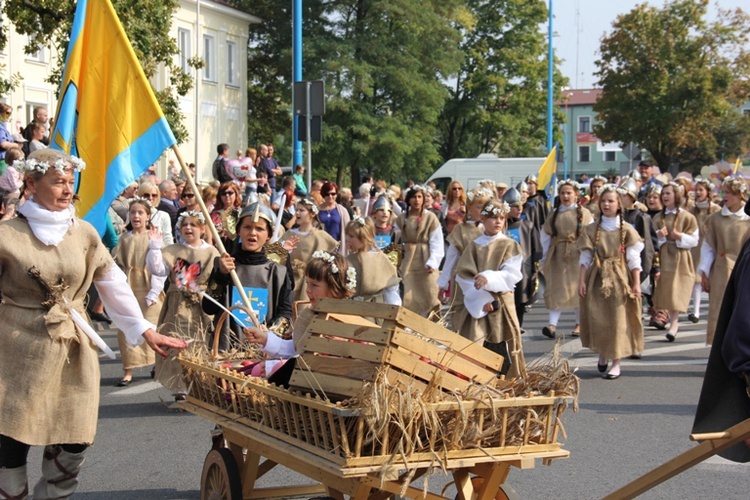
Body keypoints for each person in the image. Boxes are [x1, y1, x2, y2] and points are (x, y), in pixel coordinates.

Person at [0, 149, 183, 499]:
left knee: (76, 433)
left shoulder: (84, 233)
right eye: (58, 182)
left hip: (73, 343)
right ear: (31, 183)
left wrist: (144, 329)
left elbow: (111, 282)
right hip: (17, 342)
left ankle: (54, 493)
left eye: (71, 181)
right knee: (13, 431)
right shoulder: (7, 234)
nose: (68, 190)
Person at [242, 251, 355, 380]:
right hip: (304, 373)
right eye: (307, 283)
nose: (307, 289)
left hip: (327, 378)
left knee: (276, 369)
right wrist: (265, 339)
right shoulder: (308, 315)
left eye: (315, 285)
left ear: (334, 288)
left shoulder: (345, 319)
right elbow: (296, 348)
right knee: (258, 370)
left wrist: (280, 367)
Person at [147, 211, 219, 399]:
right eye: (184, 225)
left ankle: (200, 384)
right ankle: (180, 386)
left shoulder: (211, 252)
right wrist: (155, 247)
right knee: (176, 341)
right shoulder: (173, 250)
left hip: (200, 305)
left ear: (202, 229)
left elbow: (217, 279)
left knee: (199, 341)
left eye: (193, 225)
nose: (188, 228)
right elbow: (158, 269)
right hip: (177, 304)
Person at [204, 202, 294, 352]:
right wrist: (221, 276)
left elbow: (286, 312)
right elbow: (208, 307)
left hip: (263, 351)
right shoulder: (225, 265)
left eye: (259, 229)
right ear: (238, 230)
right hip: (226, 350)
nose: (252, 233)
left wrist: (268, 334)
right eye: (247, 227)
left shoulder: (278, 272)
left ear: (269, 235)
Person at [578, 185, 644, 379]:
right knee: (599, 317)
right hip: (597, 278)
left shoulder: (626, 230)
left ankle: (616, 361)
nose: (606, 204)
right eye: (604, 201)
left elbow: (634, 259)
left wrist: (637, 283)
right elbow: (585, 258)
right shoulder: (591, 230)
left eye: (611, 201)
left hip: (620, 277)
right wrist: (581, 280)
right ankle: (603, 351)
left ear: (619, 204)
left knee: (617, 319)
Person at [452, 200, 525, 378]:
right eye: (493, 217)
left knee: (503, 339)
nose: (498, 221)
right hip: (478, 305)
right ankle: (475, 378)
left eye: (501, 217)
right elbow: (463, 275)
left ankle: (507, 380)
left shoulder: (509, 245)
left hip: (502, 305)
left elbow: (512, 274)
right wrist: (483, 299)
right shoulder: (474, 245)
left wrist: (489, 278)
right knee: (476, 339)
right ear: (483, 219)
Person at [112, 198, 166, 386]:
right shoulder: (125, 238)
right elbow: (115, 261)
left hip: (148, 286)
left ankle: (155, 364)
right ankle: (128, 369)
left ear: (148, 216)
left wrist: (155, 290)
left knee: (152, 325)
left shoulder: (154, 237)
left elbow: (160, 267)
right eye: (133, 212)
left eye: (140, 213)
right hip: (129, 286)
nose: (136, 216)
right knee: (126, 328)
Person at [697, 177, 750, 344]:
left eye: (728, 192)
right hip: (721, 269)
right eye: (723, 192)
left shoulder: (748, 220)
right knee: (719, 309)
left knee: (741, 310)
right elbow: (708, 248)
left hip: (744, 269)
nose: (724, 195)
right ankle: (718, 348)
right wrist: (704, 273)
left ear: (739, 195)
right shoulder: (715, 219)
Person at [540, 179, 594, 339]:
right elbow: (545, 235)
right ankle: (552, 324)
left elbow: (591, 234)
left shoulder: (584, 214)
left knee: (577, 290)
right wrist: (543, 257)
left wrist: (589, 255)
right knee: (556, 288)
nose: (565, 196)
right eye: (562, 193)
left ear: (576, 195)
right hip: (558, 255)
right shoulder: (554, 213)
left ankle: (579, 323)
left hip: (577, 255)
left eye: (569, 193)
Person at [652, 182, 699, 342]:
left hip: (681, 258)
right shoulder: (658, 217)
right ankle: (671, 321)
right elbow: (651, 241)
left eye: (668, 193)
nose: (665, 196)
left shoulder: (687, 217)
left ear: (676, 195)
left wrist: (680, 237)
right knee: (667, 291)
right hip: (665, 257)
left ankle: (674, 323)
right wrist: (659, 236)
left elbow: (694, 240)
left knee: (677, 291)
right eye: (663, 193)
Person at [438, 187, 491, 317]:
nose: (483, 211)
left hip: (486, 276)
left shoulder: (491, 229)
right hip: (464, 276)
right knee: (463, 313)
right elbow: (451, 258)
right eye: (479, 207)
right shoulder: (461, 229)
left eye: (486, 207)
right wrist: (442, 284)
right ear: (469, 208)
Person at [396, 185, 444, 318]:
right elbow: (395, 239)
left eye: (419, 197)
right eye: (413, 197)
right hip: (408, 259)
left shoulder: (430, 217)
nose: (416, 200)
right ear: (408, 199)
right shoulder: (401, 218)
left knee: (429, 292)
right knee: (409, 293)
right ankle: (409, 323)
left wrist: (433, 261)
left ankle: (430, 325)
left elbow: (437, 241)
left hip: (425, 257)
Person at [279, 198, 337, 302]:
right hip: (288, 278)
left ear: (312, 214)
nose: (297, 213)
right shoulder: (289, 234)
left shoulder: (319, 236)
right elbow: (275, 254)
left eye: (302, 210)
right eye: (297, 210)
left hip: (308, 280)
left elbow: (328, 256)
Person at [503, 187, 542, 329]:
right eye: (514, 206)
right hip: (503, 270)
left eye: (520, 206)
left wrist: (534, 270)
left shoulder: (528, 226)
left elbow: (535, 249)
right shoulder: (501, 226)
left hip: (522, 270)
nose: (518, 209)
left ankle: (518, 327)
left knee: (519, 301)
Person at [345, 217, 401, 308]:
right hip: (351, 308)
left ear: (363, 238)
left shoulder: (381, 259)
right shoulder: (348, 260)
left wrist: (394, 309)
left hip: (375, 309)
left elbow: (391, 289)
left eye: (351, 236)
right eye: (347, 235)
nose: (347, 239)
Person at [688, 177, 720, 323]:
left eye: (701, 190)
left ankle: (716, 309)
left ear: (708, 192)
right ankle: (695, 311)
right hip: (696, 246)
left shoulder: (715, 209)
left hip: (711, 245)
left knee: (711, 278)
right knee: (697, 278)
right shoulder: (692, 210)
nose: (698, 192)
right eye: (696, 190)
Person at [209, 182, 243, 254]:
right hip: (218, 251)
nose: (227, 195)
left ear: (236, 194)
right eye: (223, 193)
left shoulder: (242, 213)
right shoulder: (214, 215)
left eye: (230, 193)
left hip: (237, 251)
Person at [318, 181, 351, 254]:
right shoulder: (317, 210)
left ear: (336, 194)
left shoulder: (342, 211)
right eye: (327, 194)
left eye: (333, 194)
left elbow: (348, 230)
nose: (330, 196)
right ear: (323, 194)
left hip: (338, 247)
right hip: (322, 247)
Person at [0, 104, 21, 173]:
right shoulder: (1, 127)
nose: (8, 116)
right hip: (2, 159)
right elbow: (3, 144)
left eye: (10, 113)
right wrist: (16, 145)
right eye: (7, 113)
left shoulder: (3, 126)